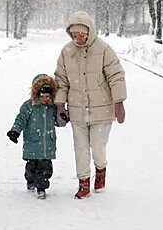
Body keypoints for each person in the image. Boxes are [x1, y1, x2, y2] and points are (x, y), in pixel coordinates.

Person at [54, 10, 127, 199]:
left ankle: (101, 170)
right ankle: (84, 182)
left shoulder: (103, 49)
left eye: (81, 34)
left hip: (102, 109)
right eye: (74, 35)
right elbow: (61, 80)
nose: (77, 38)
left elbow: (116, 76)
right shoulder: (67, 52)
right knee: (80, 147)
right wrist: (60, 105)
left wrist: (119, 102)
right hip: (77, 110)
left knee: (98, 145)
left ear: (90, 31)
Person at [6, 74, 60, 200]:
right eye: (43, 96)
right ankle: (30, 181)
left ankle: (42, 188)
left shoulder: (52, 107)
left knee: (45, 169)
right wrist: (15, 131)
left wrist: (63, 117)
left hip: (47, 143)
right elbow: (21, 119)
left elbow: (58, 121)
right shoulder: (29, 106)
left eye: (48, 96)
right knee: (31, 168)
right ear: (36, 94)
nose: (45, 99)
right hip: (32, 142)